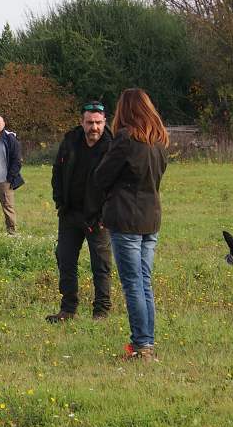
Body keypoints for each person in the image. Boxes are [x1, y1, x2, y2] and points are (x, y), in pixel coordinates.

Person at [94, 89, 168, 362]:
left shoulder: (125, 139)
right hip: (151, 217)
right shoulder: (159, 141)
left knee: (133, 284)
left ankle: (141, 345)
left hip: (126, 218)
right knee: (144, 283)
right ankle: (146, 342)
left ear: (125, 110)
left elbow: (102, 176)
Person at [46, 101, 113, 323]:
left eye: (98, 123)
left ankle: (101, 312)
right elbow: (57, 172)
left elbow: (117, 183)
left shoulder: (113, 146)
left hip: (99, 218)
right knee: (65, 259)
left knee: (100, 265)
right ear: (81, 122)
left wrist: (105, 215)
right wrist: (59, 202)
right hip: (70, 214)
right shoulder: (70, 141)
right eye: (89, 122)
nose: (94, 127)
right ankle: (67, 310)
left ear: (105, 122)